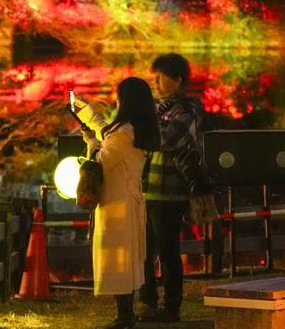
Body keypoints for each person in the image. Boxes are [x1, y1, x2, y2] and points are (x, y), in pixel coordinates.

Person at [74, 77, 162, 329]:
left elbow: (101, 160)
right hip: (128, 198)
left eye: (119, 96)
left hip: (117, 203)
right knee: (128, 258)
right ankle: (126, 314)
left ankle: (124, 316)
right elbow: (107, 135)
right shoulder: (134, 129)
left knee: (117, 257)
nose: (116, 100)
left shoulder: (125, 132)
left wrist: (90, 142)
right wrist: (88, 113)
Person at [139, 53, 212, 323]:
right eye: (155, 76)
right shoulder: (158, 109)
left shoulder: (188, 109)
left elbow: (165, 140)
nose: (156, 82)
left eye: (161, 76)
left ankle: (171, 307)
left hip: (170, 191)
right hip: (148, 188)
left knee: (168, 251)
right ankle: (148, 302)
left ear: (178, 80)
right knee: (144, 251)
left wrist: (144, 124)